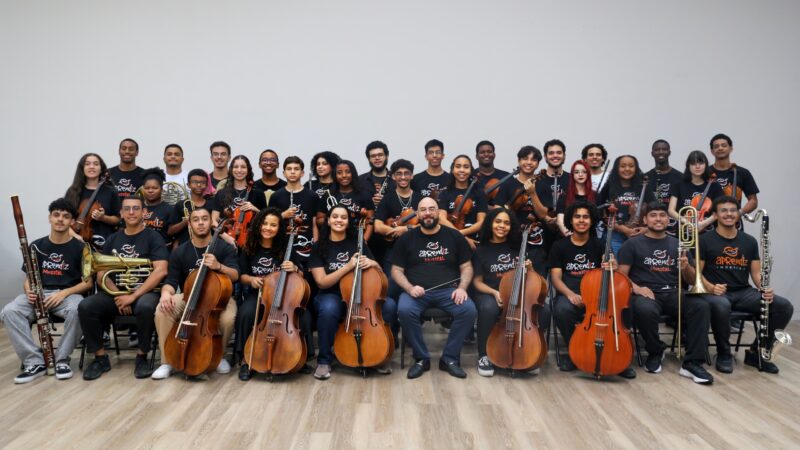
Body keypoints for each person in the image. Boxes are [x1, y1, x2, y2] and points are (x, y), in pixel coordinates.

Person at [617, 201, 715, 385]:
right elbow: (621, 276)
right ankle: (655, 351)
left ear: (668, 219)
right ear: (645, 219)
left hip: (673, 292)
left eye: (662, 215)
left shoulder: (678, 244)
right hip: (645, 292)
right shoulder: (632, 244)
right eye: (653, 215)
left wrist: (686, 268)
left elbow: (691, 280)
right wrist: (637, 288)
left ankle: (692, 363)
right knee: (645, 310)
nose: (658, 219)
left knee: (701, 306)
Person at [1, 199, 93, 383]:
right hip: (39, 293)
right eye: (56, 215)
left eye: (66, 216)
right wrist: (29, 291)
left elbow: (88, 283)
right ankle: (34, 361)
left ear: (72, 221)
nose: (60, 219)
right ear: (50, 218)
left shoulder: (81, 248)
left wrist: (63, 293)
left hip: (68, 295)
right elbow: (28, 278)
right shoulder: (36, 245)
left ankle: (61, 360)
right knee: (9, 311)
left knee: (78, 310)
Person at [699, 196, 794, 374]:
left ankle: (756, 352)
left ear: (738, 214)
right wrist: (711, 287)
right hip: (715, 292)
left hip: (743, 292)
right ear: (715, 215)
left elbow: (755, 273)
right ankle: (724, 353)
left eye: (733, 210)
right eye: (723, 210)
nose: (729, 214)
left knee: (784, 306)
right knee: (721, 305)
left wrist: (764, 287)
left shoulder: (749, 241)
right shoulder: (704, 240)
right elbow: (697, 273)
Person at [78, 195, 169, 380]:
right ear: (121, 213)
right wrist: (119, 295)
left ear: (144, 212)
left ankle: (142, 356)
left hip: (145, 293)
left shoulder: (154, 237)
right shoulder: (113, 239)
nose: (131, 212)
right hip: (116, 293)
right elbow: (101, 274)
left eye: (136, 208)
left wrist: (132, 296)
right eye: (127, 209)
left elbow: (161, 270)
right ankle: (100, 358)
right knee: (86, 306)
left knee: (146, 307)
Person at [392, 197, 477, 379]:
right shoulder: (407, 238)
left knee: (468, 310)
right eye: (423, 210)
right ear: (417, 214)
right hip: (416, 292)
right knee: (404, 310)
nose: (428, 213)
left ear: (439, 212)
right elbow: (396, 270)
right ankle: (421, 359)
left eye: (432, 209)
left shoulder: (454, 236)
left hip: (449, 291)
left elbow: (467, 267)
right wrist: (409, 288)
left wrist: (462, 288)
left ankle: (449, 359)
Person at [309, 205, 397, 379]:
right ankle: (324, 360)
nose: (339, 220)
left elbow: (379, 272)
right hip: (331, 294)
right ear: (328, 220)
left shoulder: (358, 243)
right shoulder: (319, 247)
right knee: (329, 309)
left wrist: (373, 263)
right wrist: (348, 266)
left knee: (390, 306)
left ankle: (379, 355)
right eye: (335, 216)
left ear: (348, 222)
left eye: (343, 217)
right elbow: (322, 282)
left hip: (360, 294)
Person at [549, 201, 636, 378]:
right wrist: (570, 294)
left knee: (625, 307)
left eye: (586, 217)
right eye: (577, 217)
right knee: (562, 310)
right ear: (571, 220)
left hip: (598, 295)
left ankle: (619, 357)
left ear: (592, 220)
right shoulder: (559, 246)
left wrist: (613, 266)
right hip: (572, 294)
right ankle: (576, 352)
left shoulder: (600, 245)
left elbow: (614, 272)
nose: (581, 220)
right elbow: (556, 278)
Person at [151, 207, 240, 379]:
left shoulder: (224, 248)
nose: (200, 223)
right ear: (189, 224)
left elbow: (235, 275)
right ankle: (167, 361)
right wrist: (165, 294)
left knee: (228, 319)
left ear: (211, 223)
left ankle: (218, 355)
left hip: (219, 298)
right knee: (162, 310)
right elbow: (171, 281)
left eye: (205, 219)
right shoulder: (180, 251)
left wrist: (219, 266)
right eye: (196, 219)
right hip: (189, 296)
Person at [471, 207, 550, 377]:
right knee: (488, 308)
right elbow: (477, 282)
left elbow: (532, 279)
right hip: (491, 293)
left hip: (519, 294)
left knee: (544, 310)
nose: (502, 226)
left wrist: (530, 268)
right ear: (490, 224)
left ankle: (530, 353)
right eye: (498, 221)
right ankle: (484, 355)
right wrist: (494, 293)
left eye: (506, 223)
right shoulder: (481, 250)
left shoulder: (518, 247)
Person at [235, 207, 303, 381]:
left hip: (285, 298)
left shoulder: (286, 247)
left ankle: (299, 358)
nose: (268, 228)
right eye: (264, 223)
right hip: (259, 295)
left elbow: (301, 276)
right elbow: (242, 275)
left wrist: (295, 268)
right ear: (258, 225)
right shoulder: (249, 247)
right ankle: (246, 360)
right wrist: (251, 280)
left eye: (273, 225)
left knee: (306, 317)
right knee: (246, 313)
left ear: (279, 228)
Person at [492, 146, 549, 275]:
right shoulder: (508, 185)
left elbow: (543, 214)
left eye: (533, 160)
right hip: (511, 240)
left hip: (535, 242)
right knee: (511, 279)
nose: (529, 162)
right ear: (519, 161)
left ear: (538, 164)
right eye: (525, 158)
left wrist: (532, 193)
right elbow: (497, 211)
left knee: (536, 280)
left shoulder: (543, 186)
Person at [598, 155, 655, 255]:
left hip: (639, 234)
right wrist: (625, 230)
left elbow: (656, 210)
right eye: (623, 166)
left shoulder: (644, 187)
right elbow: (603, 213)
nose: (627, 169)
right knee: (616, 263)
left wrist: (646, 229)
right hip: (615, 235)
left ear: (636, 168)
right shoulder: (609, 187)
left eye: (631, 166)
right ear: (617, 168)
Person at [64, 153, 121, 250]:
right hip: (76, 242)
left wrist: (103, 218)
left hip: (103, 244)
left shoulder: (111, 191)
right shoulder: (72, 192)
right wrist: (76, 236)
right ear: (82, 168)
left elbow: (118, 219)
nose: (92, 167)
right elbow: (65, 219)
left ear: (101, 168)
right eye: (87, 164)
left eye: (96, 164)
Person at [269, 156, 321, 261]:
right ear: (284, 173)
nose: (292, 172)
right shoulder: (276, 196)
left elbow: (314, 225)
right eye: (289, 169)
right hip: (281, 246)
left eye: (296, 169)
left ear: (302, 173)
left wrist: (315, 248)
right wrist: (283, 215)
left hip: (306, 246)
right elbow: (268, 221)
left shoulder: (312, 196)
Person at [211, 155, 266, 247]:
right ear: (231, 169)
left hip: (251, 242)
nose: (239, 170)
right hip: (225, 242)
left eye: (243, 167)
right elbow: (213, 220)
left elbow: (267, 218)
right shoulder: (221, 193)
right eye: (236, 167)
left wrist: (255, 209)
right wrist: (226, 237)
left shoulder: (258, 193)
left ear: (248, 170)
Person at [437, 154, 488, 249]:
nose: (462, 170)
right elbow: (441, 219)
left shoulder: (479, 193)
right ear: (452, 170)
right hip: (451, 242)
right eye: (458, 166)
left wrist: (461, 233)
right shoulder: (445, 193)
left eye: (466, 167)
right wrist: (463, 237)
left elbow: (482, 222)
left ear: (471, 170)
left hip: (475, 242)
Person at [318, 160, 375, 241]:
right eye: (339, 173)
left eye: (348, 172)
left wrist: (364, 241)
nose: (344, 175)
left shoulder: (364, 195)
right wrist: (335, 221)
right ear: (335, 175)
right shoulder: (328, 194)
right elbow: (319, 219)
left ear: (353, 174)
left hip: (355, 239)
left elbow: (370, 222)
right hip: (332, 239)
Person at [668, 151, 723, 232]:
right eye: (693, 164)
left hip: (708, 230)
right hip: (685, 229)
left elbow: (720, 210)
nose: (697, 167)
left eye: (701, 163)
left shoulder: (715, 186)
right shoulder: (678, 184)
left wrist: (703, 224)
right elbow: (671, 210)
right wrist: (687, 222)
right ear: (688, 166)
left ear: (706, 165)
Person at [708, 133, 759, 216]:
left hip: (733, 220)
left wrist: (739, 213)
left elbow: (753, 200)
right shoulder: (705, 173)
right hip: (709, 221)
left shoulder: (743, 172)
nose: (720, 148)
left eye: (724, 145)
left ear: (731, 149)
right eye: (716, 146)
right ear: (712, 151)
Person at [167, 169, 212, 247]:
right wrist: (186, 221)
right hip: (185, 247)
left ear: (207, 185)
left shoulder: (212, 204)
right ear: (188, 185)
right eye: (195, 182)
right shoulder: (180, 205)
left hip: (208, 246)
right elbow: (170, 231)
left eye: (202, 183)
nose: (199, 185)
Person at [535, 139, 571, 230]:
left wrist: (560, 218)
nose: (555, 155)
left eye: (559, 153)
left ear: (564, 156)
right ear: (545, 157)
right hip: (540, 231)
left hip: (568, 229)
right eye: (551, 153)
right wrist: (546, 218)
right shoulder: (536, 180)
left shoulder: (573, 179)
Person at [556, 160, 596, 237]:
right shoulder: (564, 195)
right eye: (577, 172)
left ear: (588, 174)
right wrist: (572, 236)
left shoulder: (595, 195)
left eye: (584, 172)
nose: (580, 174)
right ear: (572, 175)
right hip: (568, 237)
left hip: (589, 237)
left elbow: (596, 220)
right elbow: (560, 221)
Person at [140, 167, 172, 243]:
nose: (150, 191)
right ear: (143, 189)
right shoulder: (137, 208)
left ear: (162, 189)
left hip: (161, 248)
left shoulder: (169, 209)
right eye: (147, 188)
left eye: (155, 188)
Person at [359, 140, 393, 206]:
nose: (377, 158)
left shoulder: (397, 179)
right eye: (373, 156)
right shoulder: (360, 180)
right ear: (368, 159)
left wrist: (385, 201)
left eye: (380, 155)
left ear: (387, 156)